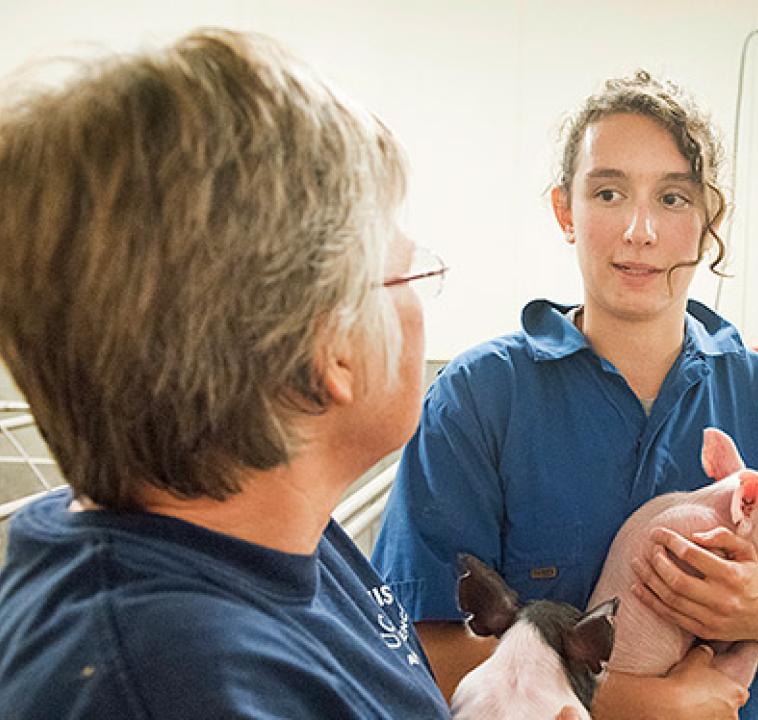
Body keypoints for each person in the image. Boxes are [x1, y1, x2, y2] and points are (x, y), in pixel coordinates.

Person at [371, 70, 758, 720]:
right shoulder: (480, 397)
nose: (640, 230)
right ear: (566, 210)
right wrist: (642, 704)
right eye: (610, 192)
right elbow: (427, 640)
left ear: (710, 220)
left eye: (673, 199)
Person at [0, 29, 451, 719]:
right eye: (411, 271)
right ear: (329, 351)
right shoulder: (177, 688)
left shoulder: (272, 526)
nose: (422, 301)